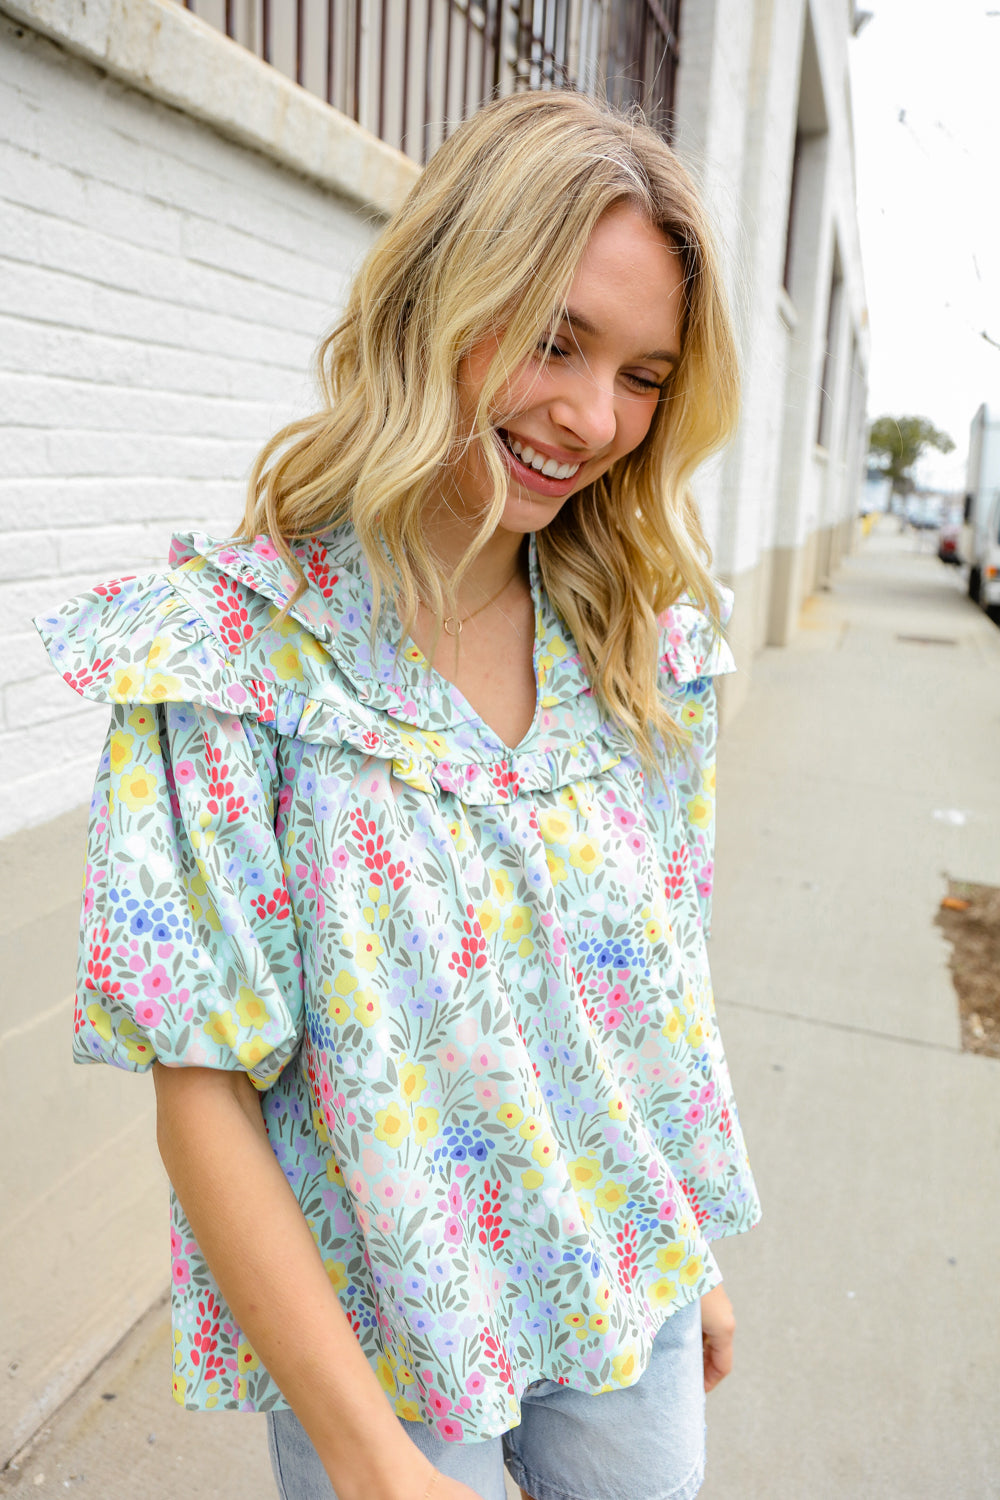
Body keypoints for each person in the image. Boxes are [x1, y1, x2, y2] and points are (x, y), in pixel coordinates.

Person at [35, 90, 760, 1500]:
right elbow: (203, 1098)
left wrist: (694, 1253)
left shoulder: (649, 646)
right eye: (555, 339)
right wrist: (370, 1463)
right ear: (441, 297)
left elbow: (653, 989)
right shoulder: (234, 656)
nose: (592, 417)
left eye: (644, 374)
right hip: (386, 1354)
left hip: (632, 1297)